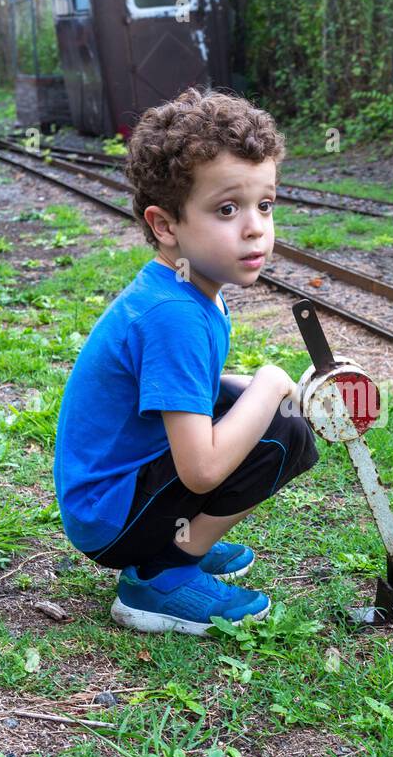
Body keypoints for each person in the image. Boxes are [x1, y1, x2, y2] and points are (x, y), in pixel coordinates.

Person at [53, 87, 319, 636]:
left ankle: (177, 539)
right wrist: (268, 384)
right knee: (284, 434)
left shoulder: (184, 291)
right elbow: (200, 470)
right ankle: (162, 571)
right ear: (166, 225)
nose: (255, 228)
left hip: (108, 496)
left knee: (269, 411)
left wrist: (256, 388)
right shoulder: (174, 314)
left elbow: (181, 386)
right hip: (109, 515)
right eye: (227, 209)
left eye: (264, 205)